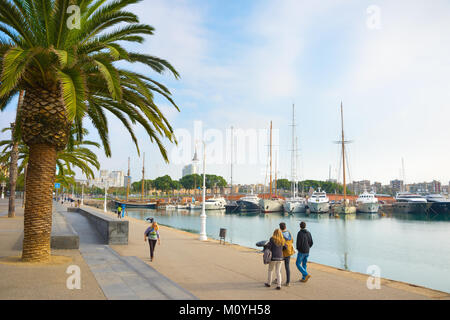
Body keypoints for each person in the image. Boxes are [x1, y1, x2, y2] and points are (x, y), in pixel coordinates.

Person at [279, 222, 295, 287]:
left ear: (280, 228)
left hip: (282, 252)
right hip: (289, 251)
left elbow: (279, 243)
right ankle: (288, 282)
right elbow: (292, 241)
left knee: (278, 266)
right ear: (285, 227)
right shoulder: (289, 233)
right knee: (287, 267)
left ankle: (278, 279)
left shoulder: (280, 234)